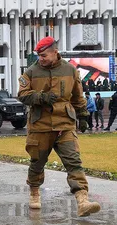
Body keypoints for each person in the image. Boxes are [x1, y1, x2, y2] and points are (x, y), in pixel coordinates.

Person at [17, 36, 100, 217]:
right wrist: (41, 97)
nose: (41, 59)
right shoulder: (31, 72)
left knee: (74, 161)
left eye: (44, 55)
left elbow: (78, 96)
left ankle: (82, 199)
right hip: (40, 125)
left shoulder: (70, 70)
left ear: (55, 52)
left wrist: (83, 115)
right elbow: (22, 95)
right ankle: (34, 192)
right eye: (39, 56)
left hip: (65, 124)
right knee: (37, 163)